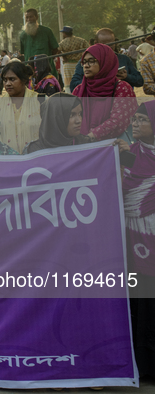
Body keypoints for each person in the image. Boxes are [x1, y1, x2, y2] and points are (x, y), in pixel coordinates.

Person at [121, 101, 155, 379]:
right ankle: (142, 364)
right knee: (138, 299)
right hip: (133, 234)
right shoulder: (130, 152)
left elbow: (147, 175)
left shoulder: (135, 156)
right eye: (135, 119)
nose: (136, 124)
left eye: (143, 120)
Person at [72, 43, 138, 141]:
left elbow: (118, 121)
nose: (86, 66)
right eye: (84, 62)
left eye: (91, 61)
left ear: (105, 62)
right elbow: (70, 118)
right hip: (82, 147)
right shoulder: (79, 90)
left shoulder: (122, 88)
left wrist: (89, 137)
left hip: (113, 147)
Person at [70, 28, 143, 91]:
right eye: (104, 44)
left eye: (111, 44)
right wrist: (97, 80)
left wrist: (126, 77)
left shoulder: (123, 59)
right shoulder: (87, 61)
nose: (108, 47)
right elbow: (73, 86)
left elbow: (140, 81)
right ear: (96, 43)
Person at [0, 62, 42, 153]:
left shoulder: (41, 102)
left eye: (12, 79)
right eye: (5, 80)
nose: (7, 84)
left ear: (23, 80)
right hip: (7, 162)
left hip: (36, 161)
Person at [23, 93, 94, 154]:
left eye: (80, 114)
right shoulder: (34, 151)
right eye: (71, 115)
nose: (79, 120)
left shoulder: (86, 144)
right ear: (54, 118)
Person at [19, 8, 59, 76]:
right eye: (27, 17)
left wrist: (47, 60)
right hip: (31, 72)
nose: (29, 20)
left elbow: (55, 49)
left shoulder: (47, 31)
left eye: (31, 17)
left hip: (47, 71)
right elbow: (22, 53)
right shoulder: (23, 35)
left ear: (36, 17)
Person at [57, 26, 89, 92]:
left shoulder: (63, 42)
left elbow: (57, 50)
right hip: (79, 64)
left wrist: (64, 57)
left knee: (68, 83)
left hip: (68, 64)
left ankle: (70, 96)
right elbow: (88, 48)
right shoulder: (80, 40)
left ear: (65, 33)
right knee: (79, 80)